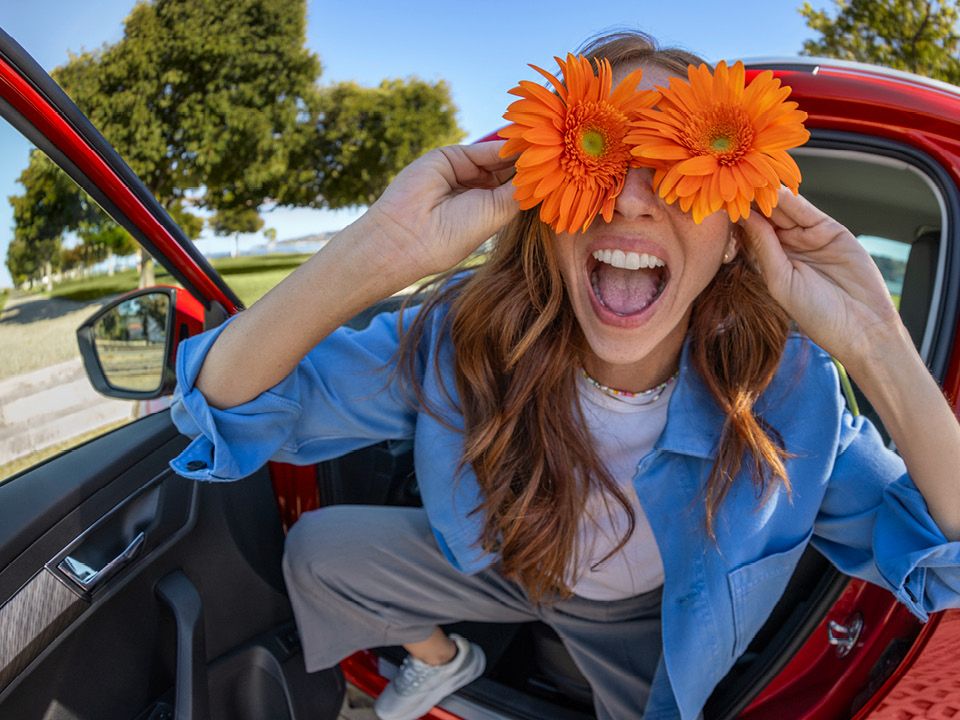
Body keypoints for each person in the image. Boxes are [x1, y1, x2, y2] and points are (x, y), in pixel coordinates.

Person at [168, 31, 960, 720]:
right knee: (316, 552)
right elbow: (228, 406)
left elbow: (947, 565)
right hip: (513, 568)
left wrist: (879, 347)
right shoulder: (457, 339)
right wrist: (376, 252)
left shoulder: (788, 395)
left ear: (735, 237)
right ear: (545, 210)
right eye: (600, 154)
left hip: (650, 621)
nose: (631, 200)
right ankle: (444, 665)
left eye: (682, 163)